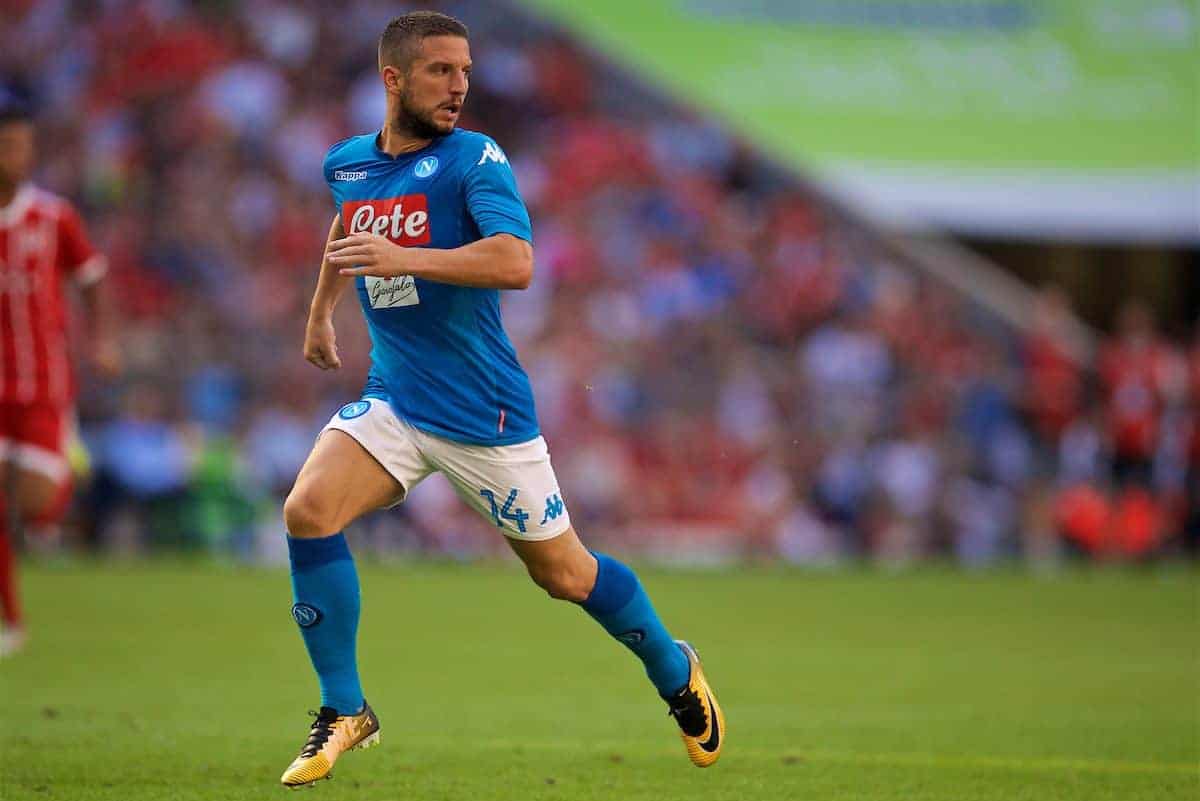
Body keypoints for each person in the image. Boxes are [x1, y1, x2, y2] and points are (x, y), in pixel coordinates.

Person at [278, 11, 724, 788]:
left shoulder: (475, 159)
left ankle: (672, 663)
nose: (459, 87)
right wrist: (321, 310)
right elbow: (347, 228)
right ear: (393, 79)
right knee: (307, 510)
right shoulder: (348, 165)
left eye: (465, 72)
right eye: (440, 72)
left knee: (565, 575)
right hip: (395, 398)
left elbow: (516, 262)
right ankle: (344, 707)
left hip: (483, 415)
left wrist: (404, 255)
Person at [0, 93, 120, 657]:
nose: (15, 155)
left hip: (43, 385)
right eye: (7, 144)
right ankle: (12, 621)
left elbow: (92, 276)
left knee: (32, 505)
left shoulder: (53, 216)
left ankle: (63, 476)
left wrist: (101, 338)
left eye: (21, 145)